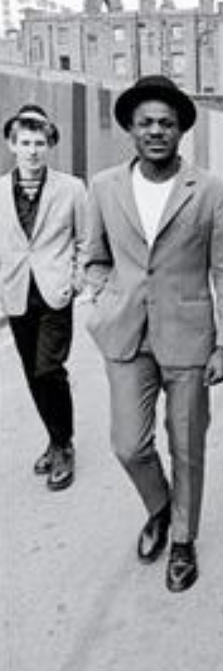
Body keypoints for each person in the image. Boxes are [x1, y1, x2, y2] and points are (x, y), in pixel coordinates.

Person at [85, 75, 223, 593]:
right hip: (127, 335)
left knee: (187, 447)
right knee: (129, 445)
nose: (156, 131)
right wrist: (106, 296)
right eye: (146, 123)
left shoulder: (212, 190)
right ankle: (159, 508)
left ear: (181, 131)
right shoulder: (105, 186)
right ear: (131, 129)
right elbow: (94, 258)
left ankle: (182, 538)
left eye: (166, 123)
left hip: (190, 338)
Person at [0, 105, 86, 491]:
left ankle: (63, 445)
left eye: (39, 143)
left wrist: (77, 280)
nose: (32, 151)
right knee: (32, 372)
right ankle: (54, 440)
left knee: (49, 368)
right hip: (16, 294)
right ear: (11, 145)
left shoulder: (71, 188)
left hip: (55, 292)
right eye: (25, 143)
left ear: (49, 145)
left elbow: (86, 240)